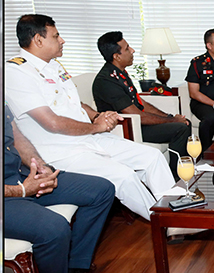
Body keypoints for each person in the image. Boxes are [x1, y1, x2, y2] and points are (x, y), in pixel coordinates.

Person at [5, 14, 174, 221]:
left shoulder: (53, 65)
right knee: (125, 176)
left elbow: (74, 104)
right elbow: (52, 123)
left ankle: (175, 211)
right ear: (38, 40)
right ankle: (165, 222)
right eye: (56, 36)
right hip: (60, 151)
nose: (62, 40)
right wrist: (97, 127)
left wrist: (98, 115)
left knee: (152, 157)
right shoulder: (16, 73)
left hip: (87, 139)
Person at [3, 106, 115, 273]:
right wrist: (21, 191)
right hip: (7, 196)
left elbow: (15, 136)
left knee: (101, 190)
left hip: (18, 176)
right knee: (54, 227)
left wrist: (40, 167)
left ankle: (70, 272)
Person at [92, 31, 192, 176]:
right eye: (127, 48)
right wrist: (172, 120)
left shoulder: (120, 73)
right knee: (180, 128)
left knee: (184, 123)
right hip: (128, 128)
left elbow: (140, 103)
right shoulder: (107, 80)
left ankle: (185, 170)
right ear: (116, 56)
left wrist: (169, 116)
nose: (132, 50)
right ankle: (176, 178)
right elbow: (135, 114)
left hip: (138, 122)